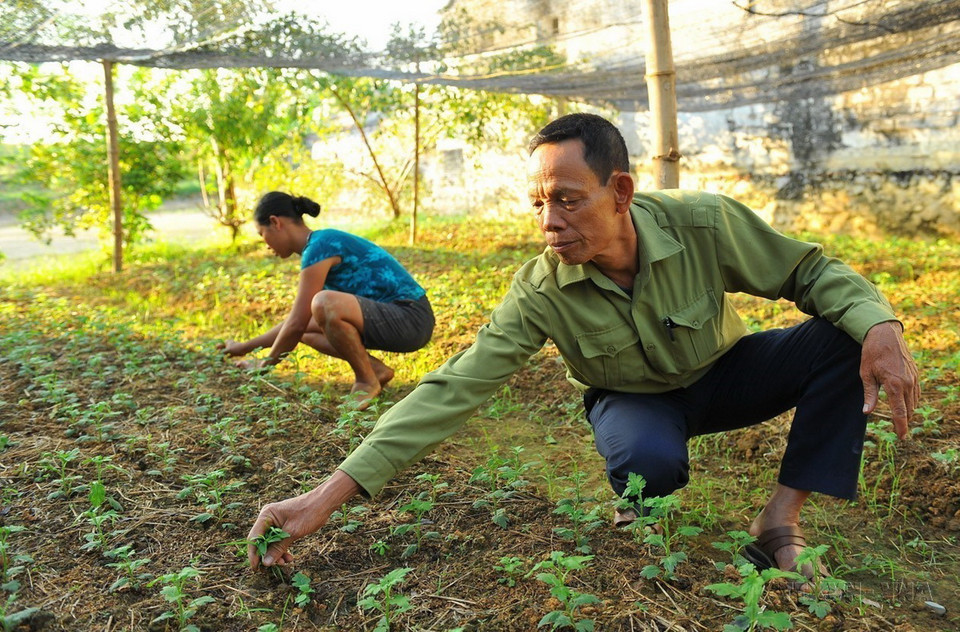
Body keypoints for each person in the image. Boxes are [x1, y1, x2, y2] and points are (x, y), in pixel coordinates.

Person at [246, 115, 918, 587]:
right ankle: (640, 506)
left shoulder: (702, 223)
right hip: (632, 399)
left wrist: (881, 326)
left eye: (567, 200)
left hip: (725, 373)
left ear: (620, 191)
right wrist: (323, 498)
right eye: (538, 203)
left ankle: (778, 523)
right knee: (645, 461)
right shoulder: (540, 287)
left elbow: (808, 272)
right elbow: (455, 387)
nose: (548, 223)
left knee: (841, 333)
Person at [220, 191, 435, 410]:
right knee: (309, 325)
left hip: (411, 318)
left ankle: (365, 381)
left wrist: (264, 366)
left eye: (261, 234)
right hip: (398, 320)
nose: (265, 244)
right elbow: (298, 325)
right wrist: (244, 348)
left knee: (323, 303)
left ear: (275, 222)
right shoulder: (317, 246)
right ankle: (375, 371)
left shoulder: (320, 246)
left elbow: (295, 323)